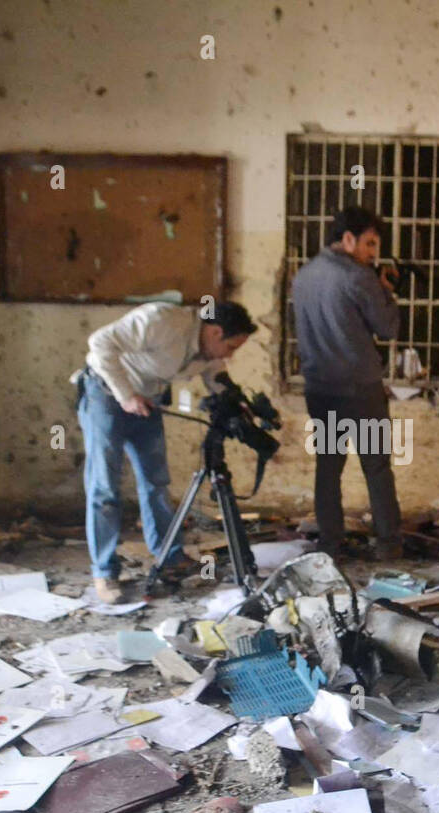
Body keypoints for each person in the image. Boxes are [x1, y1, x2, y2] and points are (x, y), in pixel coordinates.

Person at [75, 300, 256, 603]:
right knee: (105, 487)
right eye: (231, 347)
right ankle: (104, 572)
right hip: (105, 395)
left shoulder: (207, 351)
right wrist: (126, 395)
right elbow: (99, 343)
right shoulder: (161, 321)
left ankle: (170, 556)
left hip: (147, 401)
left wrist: (238, 405)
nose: (231, 355)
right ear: (215, 332)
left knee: (156, 483)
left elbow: (215, 376)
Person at [291, 206, 404, 560]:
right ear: (349, 239)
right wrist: (386, 291)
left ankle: (330, 543)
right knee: (376, 467)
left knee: (329, 467)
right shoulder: (360, 278)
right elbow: (388, 329)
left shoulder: (304, 276)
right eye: (369, 244)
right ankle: (387, 544)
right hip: (360, 390)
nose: (373, 253)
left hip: (320, 389)